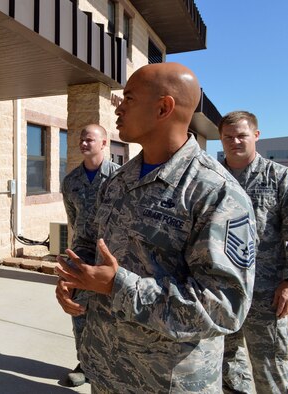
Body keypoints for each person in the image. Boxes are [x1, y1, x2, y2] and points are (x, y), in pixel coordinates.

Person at [55, 62, 256, 393]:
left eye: (129, 98)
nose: (118, 106)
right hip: (107, 370)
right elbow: (91, 241)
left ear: (164, 107)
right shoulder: (117, 181)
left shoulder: (215, 192)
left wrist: (118, 286)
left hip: (167, 380)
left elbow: (225, 307)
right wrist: (73, 280)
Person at [219, 111, 288, 394]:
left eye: (242, 135)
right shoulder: (212, 177)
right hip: (221, 290)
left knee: (271, 368)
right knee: (227, 366)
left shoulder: (279, 177)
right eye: (228, 137)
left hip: (266, 292)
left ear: (255, 136)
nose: (235, 141)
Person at [60, 124, 119, 387]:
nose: (84, 143)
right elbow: (73, 219)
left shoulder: (119, 178)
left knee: (112, 312)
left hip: (112, 254)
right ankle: (84, 363)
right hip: (82, 254)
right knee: (79, 309)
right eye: (81, 139)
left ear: (104, 143)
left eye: (90, 139)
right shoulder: (71, 181)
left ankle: (111, 363)